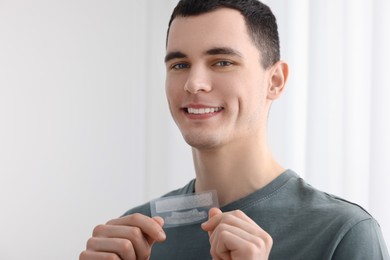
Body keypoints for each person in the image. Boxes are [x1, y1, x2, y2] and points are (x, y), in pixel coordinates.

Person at [80, 0, 390, 259]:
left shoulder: (344, 235)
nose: (193, 83)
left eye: (222, 62)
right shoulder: (134, 235)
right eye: (179, 64)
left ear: (275, 81)